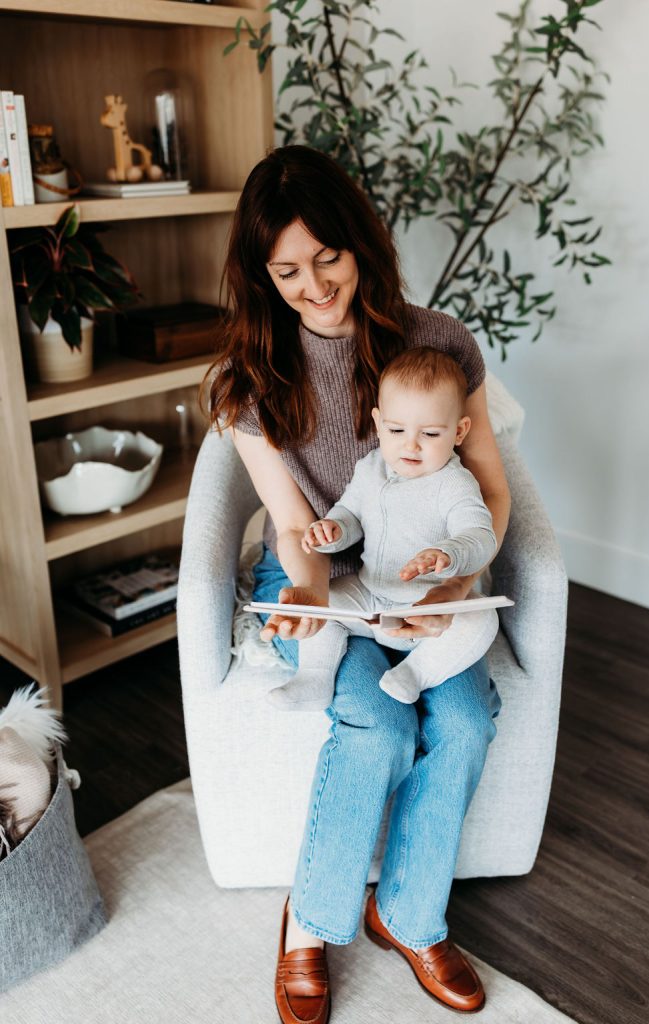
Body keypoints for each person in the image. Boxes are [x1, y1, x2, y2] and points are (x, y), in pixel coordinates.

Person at [206, 145, 510, 1023]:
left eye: (327, 258)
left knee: (460, 723)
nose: (314, 285)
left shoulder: (437, 342)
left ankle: (409, 917)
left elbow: (486, 488)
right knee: (372, 729)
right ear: (262, 275)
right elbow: (296, 527)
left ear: (360, 242)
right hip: (325, 571)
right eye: (287, 270)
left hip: (428, 572)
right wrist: (306, 591)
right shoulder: (255, 379)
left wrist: (454, 583)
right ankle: (309, 926)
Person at [268, 345, 499, 711]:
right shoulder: (370, 467)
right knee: (324, 605)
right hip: (368, 596)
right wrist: (333, 530)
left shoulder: (455, 483)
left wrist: (450, 554)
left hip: (426, 611)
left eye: (431, 434)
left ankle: (415, 674)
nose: (411, 444)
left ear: (459, 431)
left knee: (482, 620)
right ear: (378, 423)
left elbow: (482, 537)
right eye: (396, 429)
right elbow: (350, 514)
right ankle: (313, 679)